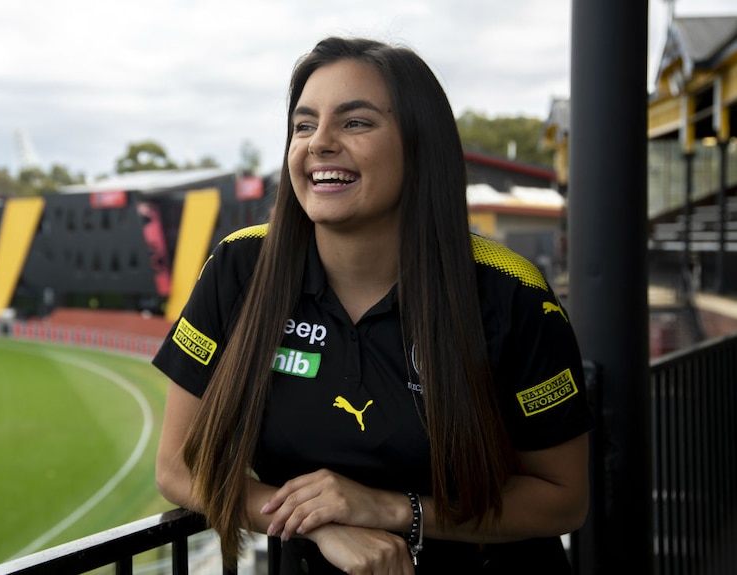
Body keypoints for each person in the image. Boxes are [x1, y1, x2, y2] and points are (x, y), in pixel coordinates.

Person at [153, 36, 594, 574]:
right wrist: (323, 521)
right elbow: (177, 467)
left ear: (418, 144)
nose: (319, 143)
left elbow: (564, 498)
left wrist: (390, 510)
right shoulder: (238, 266)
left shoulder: (510, 293)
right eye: (304, 124)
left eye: (355, 122)